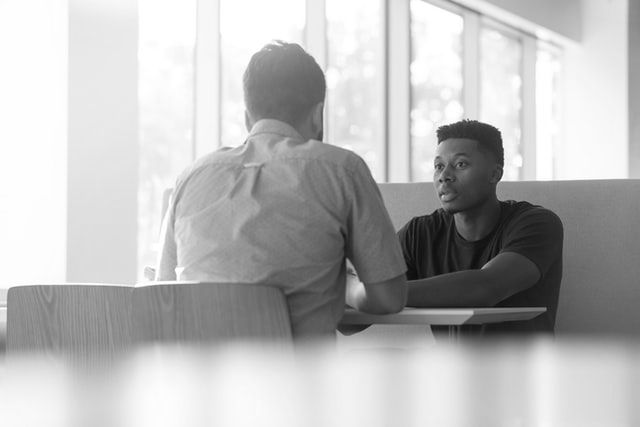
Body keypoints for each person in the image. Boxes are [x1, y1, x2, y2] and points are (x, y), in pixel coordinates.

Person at [155, 41, 407, 340]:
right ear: (318, 115)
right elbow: (389, 298)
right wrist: (348, 286)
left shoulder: (191, 177)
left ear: (248, 117)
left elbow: (163, 292)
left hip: (197, 380)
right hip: (298, 381)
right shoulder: (342, 169)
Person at [398, 119, 563, 336]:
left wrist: (378, 293)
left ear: (495, 174)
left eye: (460, 164)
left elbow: (485, 288)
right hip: (450, 368)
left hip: (522, 368)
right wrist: (354, 290)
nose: (444, 176)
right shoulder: (419, 233)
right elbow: (350, 324)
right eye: (438, 166)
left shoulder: (537, 224)